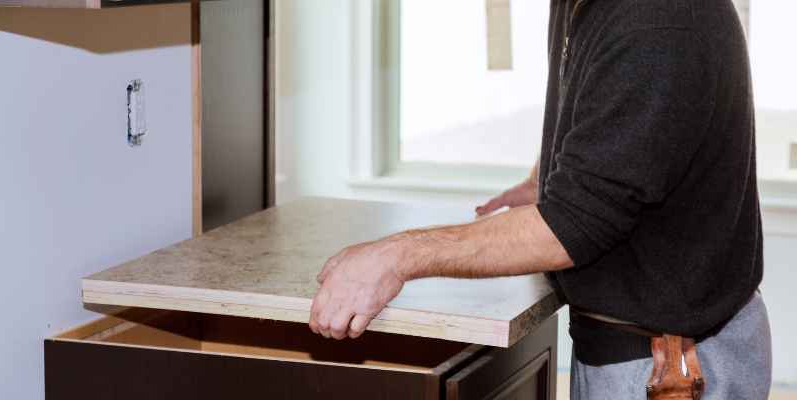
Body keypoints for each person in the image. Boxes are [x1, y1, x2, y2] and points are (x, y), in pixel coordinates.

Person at [309, 0, 772, 398]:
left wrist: (396, 257)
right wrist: (550, 174)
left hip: (673, 367)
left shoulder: (659, 24)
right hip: (635, 346)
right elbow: (613, 105)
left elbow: (572, 227)